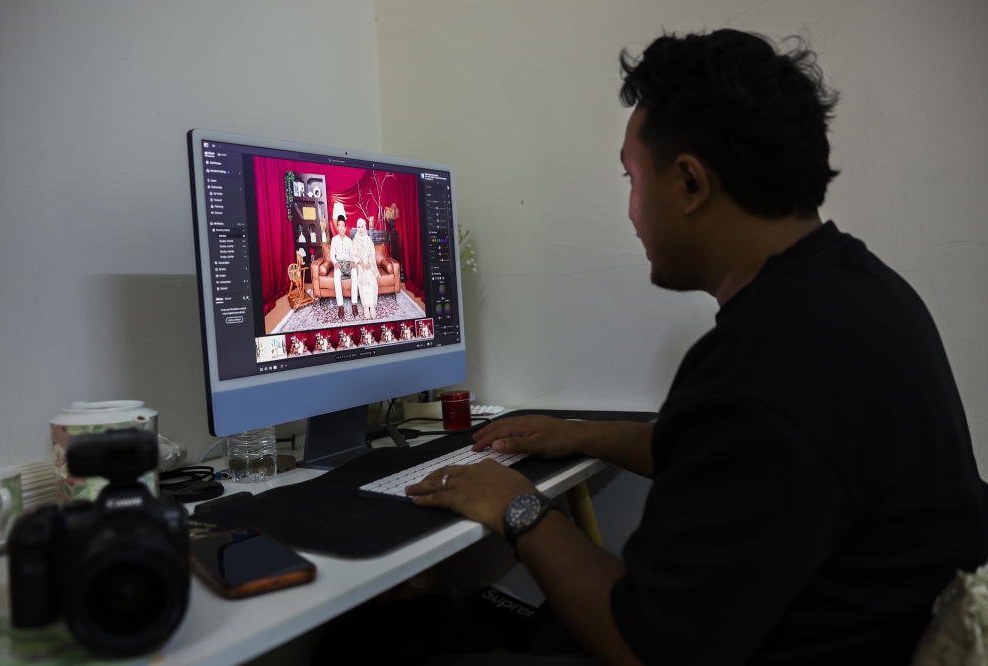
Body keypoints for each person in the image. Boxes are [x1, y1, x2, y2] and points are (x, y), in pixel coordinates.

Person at [404, 29, 988, 665]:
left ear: (689, 183)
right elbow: (733, 452)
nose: (630, 211)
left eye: (632, 178)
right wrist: (580, 433)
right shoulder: (860, 292)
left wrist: (515, 507)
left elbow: (644, 643)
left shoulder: (764, 365)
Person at [330, 217, 358, 319]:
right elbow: (332, 255)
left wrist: (354, 261)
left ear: (345, 227)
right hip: (339, 264)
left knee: (355, 272)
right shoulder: (334, 239)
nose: (341, 228)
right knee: (336, 275)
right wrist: (335, 262)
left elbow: (353, 254)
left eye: (343, 226)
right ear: (337, 227)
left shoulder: (349, 240)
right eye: (339, 225)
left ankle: (354, 304)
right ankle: (340, 306)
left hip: (348, 263)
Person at [352, 218, 380, 319]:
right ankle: (365, 307)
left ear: (365, 227)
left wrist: (369, 262)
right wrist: (361, 262)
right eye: (358, 227)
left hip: (369, 264)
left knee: (371, 278)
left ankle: (372, 306)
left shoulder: (369, 240)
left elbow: (372, 253)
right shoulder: (355, 240)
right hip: (360, 265)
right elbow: (353, 254)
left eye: (362, 227)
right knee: (363, 278)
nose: (360, 229)